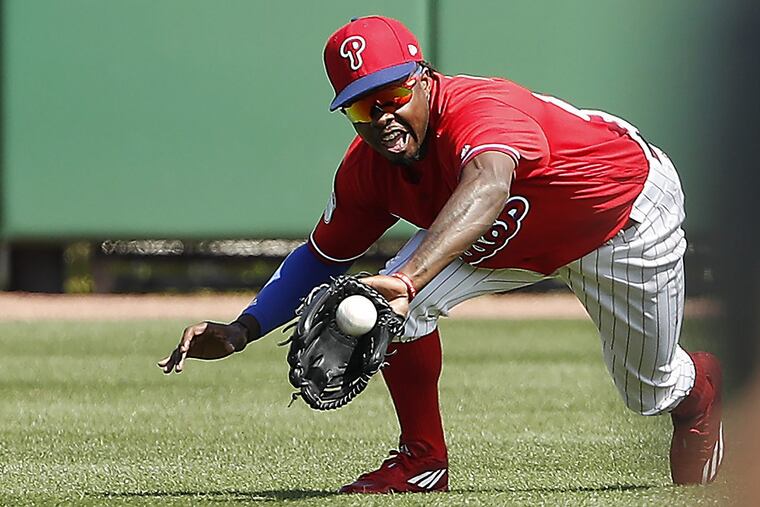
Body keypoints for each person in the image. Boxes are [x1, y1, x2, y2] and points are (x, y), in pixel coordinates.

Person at [158, 16, 723, 493]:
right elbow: (323, 255)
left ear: (424, 81)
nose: (381, 118)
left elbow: (488, 182)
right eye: (361, 109)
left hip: (618, 217)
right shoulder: (369, 171)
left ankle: (699, 390)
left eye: (392, 97)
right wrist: (244, 327)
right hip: (509, 239)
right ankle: (423, 461)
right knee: (380, 304)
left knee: (649, 391)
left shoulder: (480, 110)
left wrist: (408, 279)